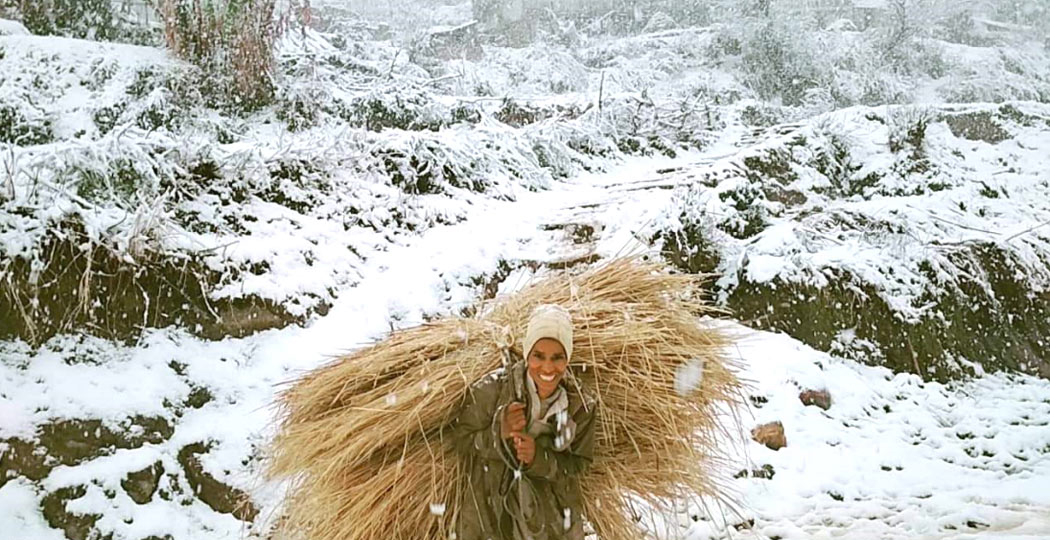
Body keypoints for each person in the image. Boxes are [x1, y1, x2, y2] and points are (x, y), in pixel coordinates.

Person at [452, 304, 597, 540]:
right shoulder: (493, 390)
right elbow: (459, 441)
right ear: (528, 353)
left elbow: (578, 465)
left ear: (568, 358)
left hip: (549, 525)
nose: (548, 368)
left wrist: (539, 459)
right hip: (489, 518)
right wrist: (499, 433)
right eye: (538, 356)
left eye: (558, 358)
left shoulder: (581, 406)